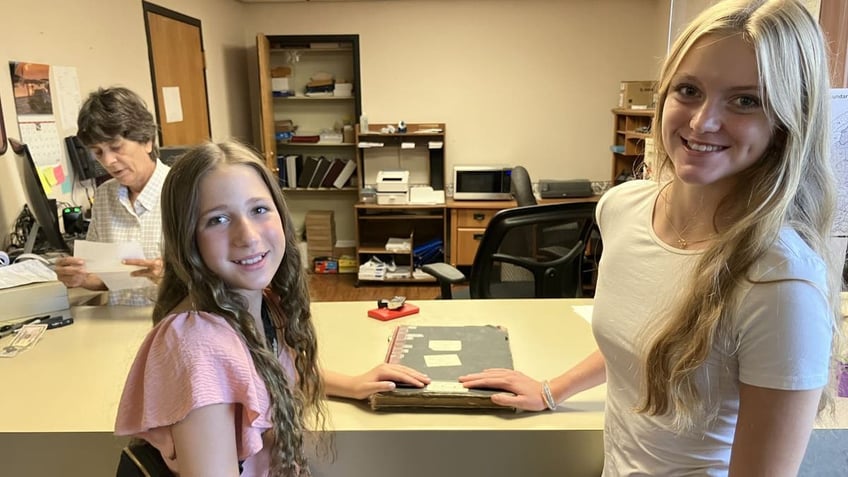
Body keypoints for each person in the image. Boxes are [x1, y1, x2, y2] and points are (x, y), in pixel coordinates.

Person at [460, 0, 840, 475]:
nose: (702, 122)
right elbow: (637, 341)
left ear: (786, 123)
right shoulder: (624, 209)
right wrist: (552, 389)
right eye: (689, 89)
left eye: (746, 100)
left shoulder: (780, 285)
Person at [114, 140, 430, 476]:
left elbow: (274, 379)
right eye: (218, 219)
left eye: (259, 210)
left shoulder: (261, 303)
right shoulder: (199, 347)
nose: (247, 236)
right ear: (187, 238)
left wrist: (350, 383)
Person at [54, 87, 167, 306]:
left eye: (116, 147)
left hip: (173, 324)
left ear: (146, 140)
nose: (108, 161)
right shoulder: (105, 196)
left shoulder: (184, 191)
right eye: (98, 152)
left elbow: (216, 280)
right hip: (120, 326)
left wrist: (169, 280)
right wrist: (82, 277)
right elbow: (104, 278)